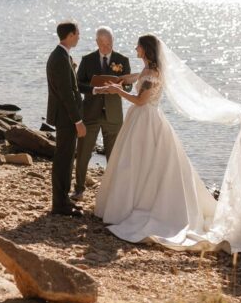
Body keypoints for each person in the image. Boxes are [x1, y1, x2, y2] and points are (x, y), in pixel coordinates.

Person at [93, 35, 217, 244]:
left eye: (138, 47)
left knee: (138, 162)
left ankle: (137, 205)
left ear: (146, 49)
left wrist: (117, 91)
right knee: (134, 162)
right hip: (142, 119)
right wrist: (118, 81)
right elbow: (136, 78)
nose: (135, 49)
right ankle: (128, 204)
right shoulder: (148, 70)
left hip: (145, 119)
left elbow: (140, 101)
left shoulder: (152, 73)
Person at [73, 26, 132, 201]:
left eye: (109, 43)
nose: (106, 47)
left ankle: (114, 192)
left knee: (114, 155)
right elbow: (78, 85)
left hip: (113, 116)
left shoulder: (122, 60)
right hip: (90, 113)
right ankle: (79, 189)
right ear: (97, 42)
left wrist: (120, 87)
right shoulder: (87, 60)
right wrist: (96, 89)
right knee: (83, 152)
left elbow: (128, 85)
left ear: (113, 41)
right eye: (103, 44)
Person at [46, 21, 86, 216]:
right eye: (77, 33)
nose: (79, 36)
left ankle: (63, 199)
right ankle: (59, 204)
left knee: (67, 158)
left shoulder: (63, 56)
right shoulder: (60, 58)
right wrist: (78, 121)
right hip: (65, 117)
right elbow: (65, 94)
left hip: (64, 116)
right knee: (63, 159)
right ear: (70, 35)